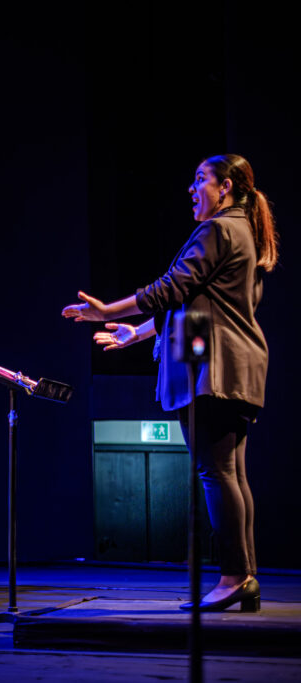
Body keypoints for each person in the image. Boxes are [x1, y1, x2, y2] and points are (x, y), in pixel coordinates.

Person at [62, 154, 277, 613]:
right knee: (231, 472)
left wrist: (106, 312)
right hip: (235, 364)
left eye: (201, 179)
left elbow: (171, 288)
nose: (191, 188)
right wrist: (136, 333)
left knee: (217, 472)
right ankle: (245, 575)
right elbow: (200, 303)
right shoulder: (245, 233)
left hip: (211, 369)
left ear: (228, 187)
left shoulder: (218, 229)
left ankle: (235, 576)